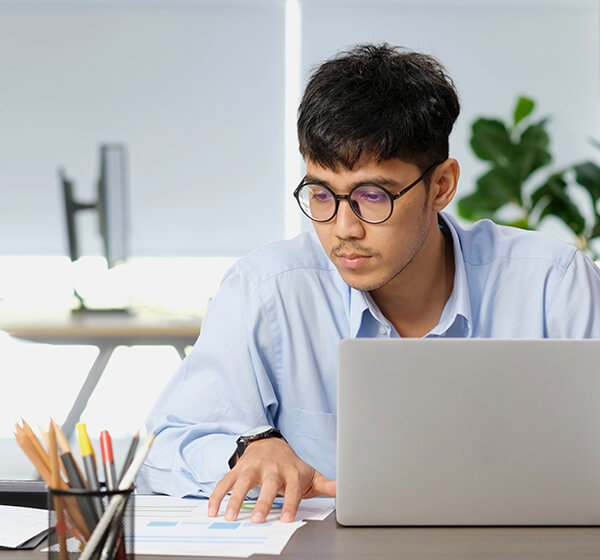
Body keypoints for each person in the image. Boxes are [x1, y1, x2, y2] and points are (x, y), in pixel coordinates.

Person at [138, 44, 600, 523]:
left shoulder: (554, 283)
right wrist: (248, 451)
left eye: (372, 195)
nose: (343, 228)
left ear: (441, 186)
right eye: (320, 194)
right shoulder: (266, 289)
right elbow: (163, 448)